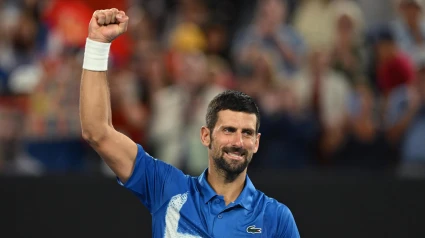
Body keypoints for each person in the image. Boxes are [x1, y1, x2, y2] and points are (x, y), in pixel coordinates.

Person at [79, 8, 300, 237]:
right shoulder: (167, 189)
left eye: (247, 133)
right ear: (206, 135)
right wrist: (97, 44)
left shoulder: (275, 218)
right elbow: (97, 132)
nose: (238, 141)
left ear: (256, 142)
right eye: (228, 130)